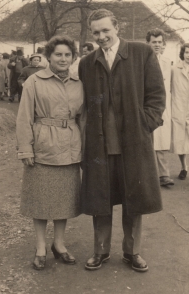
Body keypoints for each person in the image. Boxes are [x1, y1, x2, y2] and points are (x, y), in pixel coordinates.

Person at [78, 9, 165, 272]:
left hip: (133, 143)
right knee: (100, 199)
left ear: (117, 27)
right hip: (99, 145)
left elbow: (157, 97)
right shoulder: (87, 63)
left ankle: (132, 251)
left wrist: (144, 125)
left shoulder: (142, 52)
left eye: (106, 30)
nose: (101, 36)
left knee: (134, 198)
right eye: (96, 32)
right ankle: (100, 250)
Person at [16, 35, 84, 270]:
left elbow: (83, 117)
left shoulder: (79, 82)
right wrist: (25, 147)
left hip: (71, 147)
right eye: (58, 54)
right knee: (41, 200)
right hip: (43, 145)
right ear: (49, 57)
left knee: (64, 199)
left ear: (73, 57)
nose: (63, 59)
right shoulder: (35, 81)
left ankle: (60, 244)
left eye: (67, 55)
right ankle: (41, 246)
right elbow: (24, 116)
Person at [146, 28, 174, 186]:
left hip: (163, 107)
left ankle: (164, 175)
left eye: (159, 42)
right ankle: (149, 176)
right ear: (148, 43)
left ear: (163, 44)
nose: (156, 45)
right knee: (148, 142)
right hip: (147, 107)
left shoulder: (167, 63)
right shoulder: (142, 61)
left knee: (162, 141)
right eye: (153, 42)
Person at [171, 43, 189, 180]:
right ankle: (184, 168)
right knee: (180, 141)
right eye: (187, 52)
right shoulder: (174, 69)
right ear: (182, 53)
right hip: (179, 108)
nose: (188, 55)